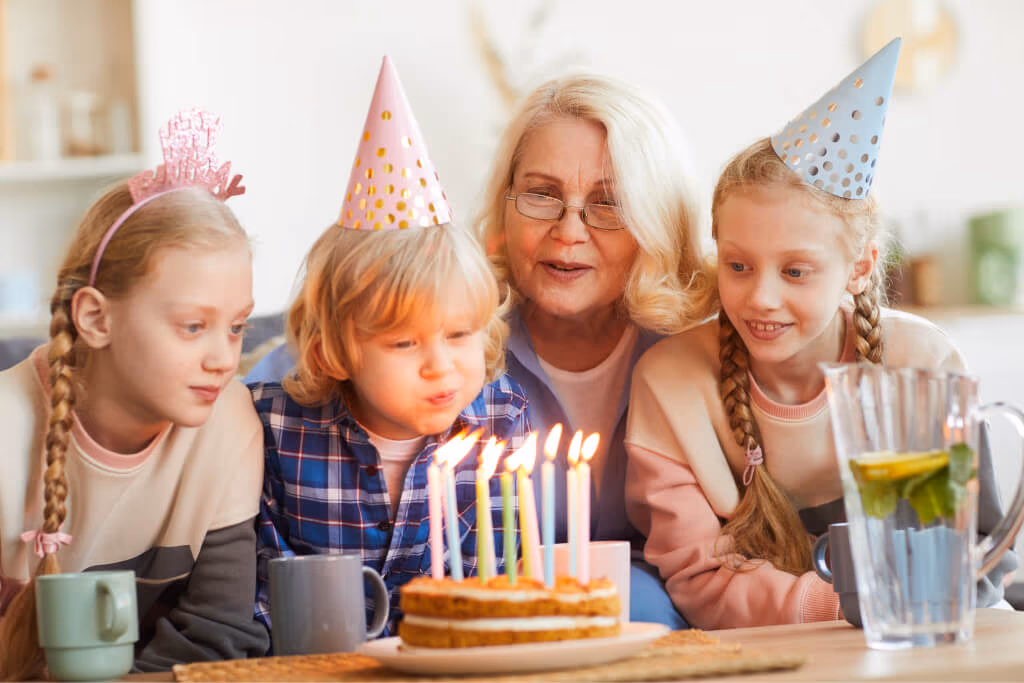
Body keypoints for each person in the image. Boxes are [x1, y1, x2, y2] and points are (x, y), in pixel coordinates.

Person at [624, 39, 1017, 629]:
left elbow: (967, 549)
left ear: (859, 270)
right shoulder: (670, 382)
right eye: (737, 265)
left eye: (795, 271)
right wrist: (845, 607)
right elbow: (698, 574)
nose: (760, 297)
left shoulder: (922, 361)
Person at [251, 57, 531, 641]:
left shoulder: (502, 420)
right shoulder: (272, 429)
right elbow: (260, 595)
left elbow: (512, 578)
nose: (440, 365)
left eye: (459, 334)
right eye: (404, 342)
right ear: (333, 351)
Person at [0, 109, 268, 679]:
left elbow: (216, 632)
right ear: (96, 318)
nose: (223, 357)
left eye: (237, 327)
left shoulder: (229, 422)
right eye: (193, 326)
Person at [470, 73, 714, 628]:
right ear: (505, 205)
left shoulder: (699, 352)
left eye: (607, 204)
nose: (568, 231)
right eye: (542, 194)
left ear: (656, 219)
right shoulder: (455, 342)